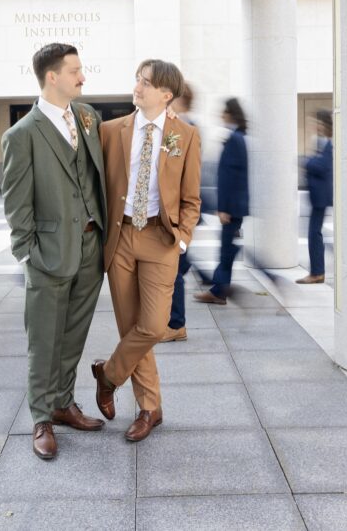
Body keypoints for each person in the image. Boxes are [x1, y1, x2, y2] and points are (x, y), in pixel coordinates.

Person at [1, 43, 108, 461]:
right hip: (48, 251)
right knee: (43, 340)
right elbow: (16, 201)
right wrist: (28, 251)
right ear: (52, 76)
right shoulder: (22, 134)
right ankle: (42, 416)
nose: (83, 77)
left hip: (89, 245)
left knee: (73, 335)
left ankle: (64, 403)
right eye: (75, 71)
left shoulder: (87, 117)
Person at [92, 59, 201, 442]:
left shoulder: (185, 136)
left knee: (154, 326)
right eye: (138, 79)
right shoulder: (110, 130)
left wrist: (182, 238)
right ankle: (149, 409)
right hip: (120, 238)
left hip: (160, 239)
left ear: (166, 94)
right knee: (130, 327)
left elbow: (191, 198)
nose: (137, 87)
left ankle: (108, 376)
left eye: (147, 82)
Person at [194, 98, 249, 305]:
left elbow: (230, 178)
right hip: (236, 206)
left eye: (223, 113)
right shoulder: (238, 137)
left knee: (227, 250)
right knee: (228, 249)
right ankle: (219, 289)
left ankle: (219, 291)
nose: (220, 116)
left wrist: (224, 208)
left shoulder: (234, 139)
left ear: (230, 114)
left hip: (232, 207)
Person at [161, 82, 197, 343]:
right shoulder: (169, 123)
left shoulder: (186, 130)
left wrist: (183, 235)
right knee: (177, 268)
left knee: (175, 271)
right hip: (173, 218)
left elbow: (188, 181)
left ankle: (176, 324)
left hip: (176, 218)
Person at [298, 110, 333, 284]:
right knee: (314, 233)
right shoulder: (322, 143)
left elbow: (322, 166)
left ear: (325, 124)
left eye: (317, 123)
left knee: (314, 234)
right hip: (318, 195)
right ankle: (317, 271)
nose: (315, 126)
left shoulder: (330, 144)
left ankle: (317, 272)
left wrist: (306, 162)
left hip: (321, 196)